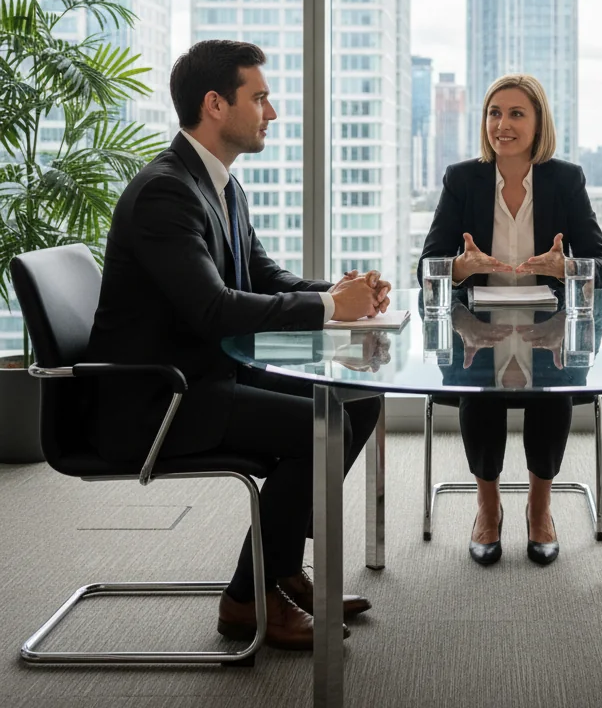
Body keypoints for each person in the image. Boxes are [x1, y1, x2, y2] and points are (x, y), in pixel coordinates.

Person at [86, 40, 392, 651]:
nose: (271, 113)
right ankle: (246, 599)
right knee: (318, 427)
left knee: (357, 400)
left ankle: (275, 569)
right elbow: (213, 309)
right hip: (158, 398)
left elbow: (264, 279)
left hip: (207, 377)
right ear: (215, 105)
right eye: (260, 98)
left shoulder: (220, 185)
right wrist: (333, 309)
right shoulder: (165, 194)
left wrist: (341, 290)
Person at [418, 73, 602, 566]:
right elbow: (426, 267)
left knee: (553, 385)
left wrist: (565, 268)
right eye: (494, 113)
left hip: (548, 321)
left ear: (538, 122)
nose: (502, 125)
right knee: (478, 385)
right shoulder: (462, 179)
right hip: (476, 318)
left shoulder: (565, 179)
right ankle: (488, 508)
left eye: (516, 114)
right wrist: (461, 267)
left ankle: (540, 508)